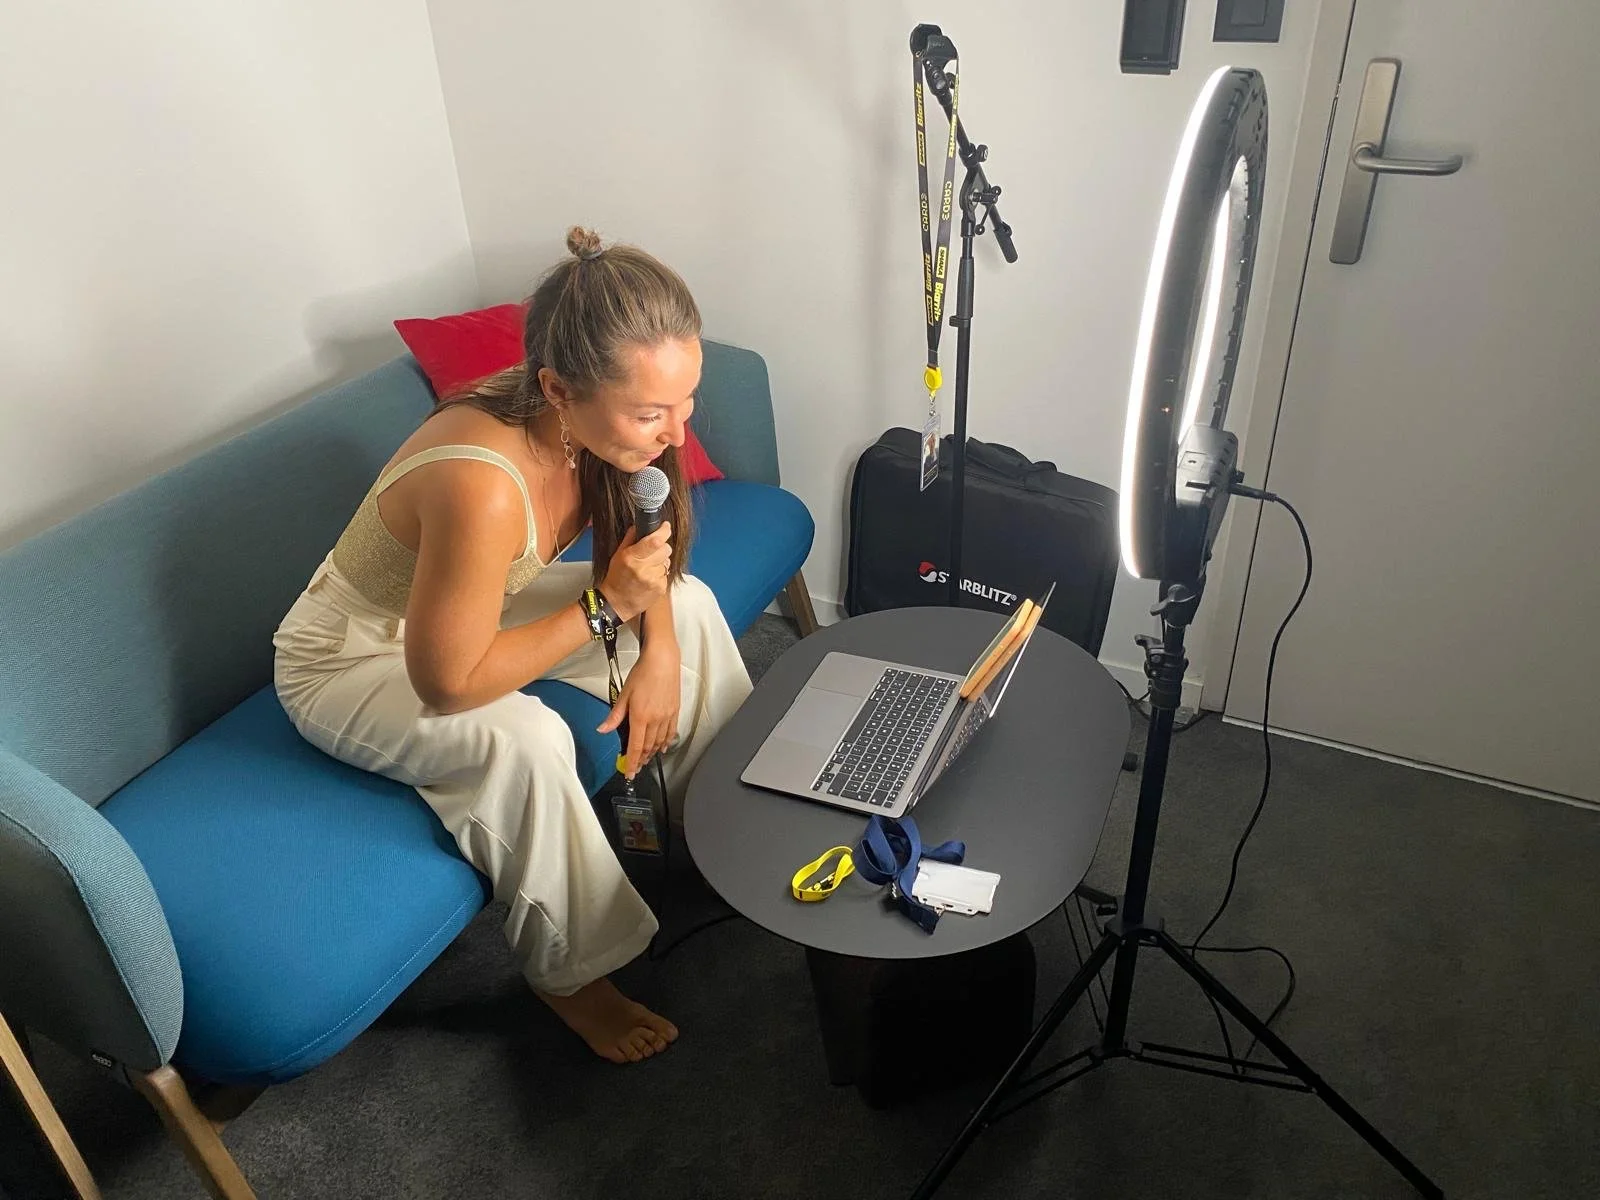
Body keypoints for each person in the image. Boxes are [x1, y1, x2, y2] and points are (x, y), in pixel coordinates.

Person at [273, 227, 753, 1064]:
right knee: (524, 739)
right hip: (351, 655)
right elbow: (449, 683)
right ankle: (573, 978)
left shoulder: (597, 430)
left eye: (686, 403)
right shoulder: (481, 481)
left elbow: (645, 550)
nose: (676, 435)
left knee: (694, 602)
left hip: (468, 603)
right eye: (651, 413)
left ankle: (726, 825)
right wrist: (607, 608)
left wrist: (661, 650)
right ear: (558, 389)